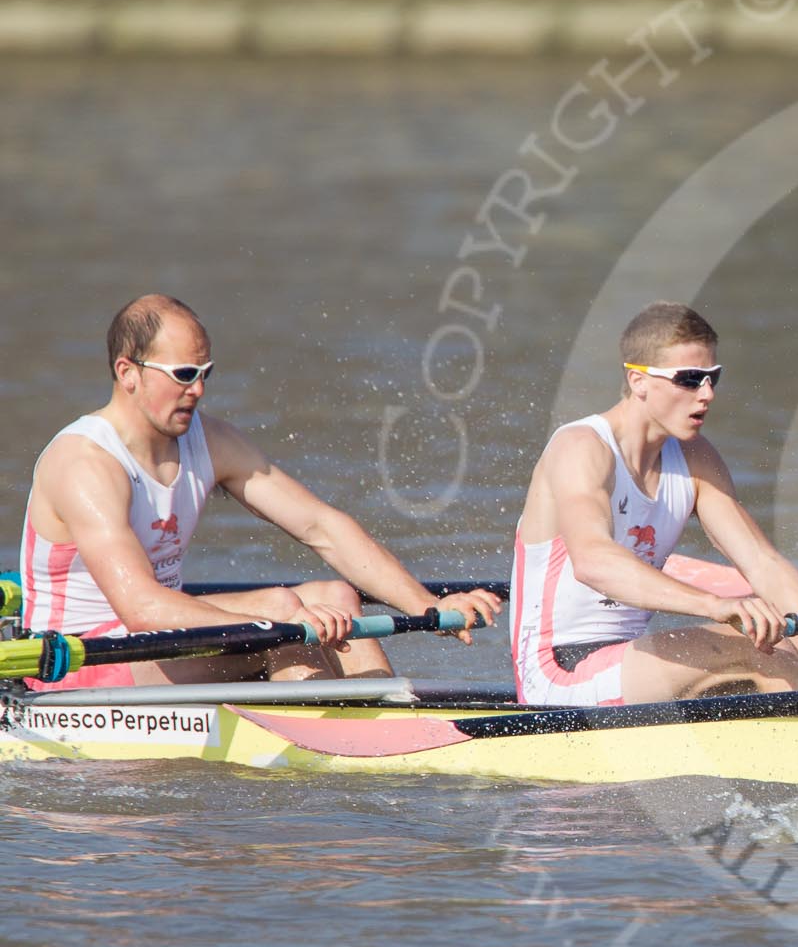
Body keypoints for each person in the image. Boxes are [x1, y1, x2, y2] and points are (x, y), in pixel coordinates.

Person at [17, 295, 500, 690]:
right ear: (128, 372)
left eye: (205, 373)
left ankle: (389, 725)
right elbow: (143, 609)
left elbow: (321, 526)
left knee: (334, 594)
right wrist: (273, 611)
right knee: (283, 623)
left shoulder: (210, 441)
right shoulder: (85, 464)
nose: (199, 390)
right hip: (80, 664)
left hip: (164, 644)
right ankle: (345, 754)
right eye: (183, 375)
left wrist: (428, 608)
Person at [509, 302, 798, 706]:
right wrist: (716, 606)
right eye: (689, 379)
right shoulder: (581, 447)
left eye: (712, 377)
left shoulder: (694, 457)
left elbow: (761, 562)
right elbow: (593, 561)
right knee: (752, 642)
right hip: (558, 674)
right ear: (638, 381)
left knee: (773, 625)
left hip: (628, 666)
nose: (707, 394)